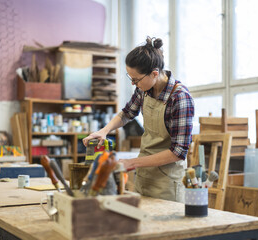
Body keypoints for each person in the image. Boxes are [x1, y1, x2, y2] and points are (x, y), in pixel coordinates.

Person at [83, 37, 194, 202]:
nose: (134, 84)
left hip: (167, 183)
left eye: (136, 79)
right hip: (144, 176)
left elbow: (178, 152)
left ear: (154, 73)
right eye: (131, 79)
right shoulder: (144, 90)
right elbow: (127, 113)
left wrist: (132, 163)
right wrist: (104, 131)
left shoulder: (180, 98)